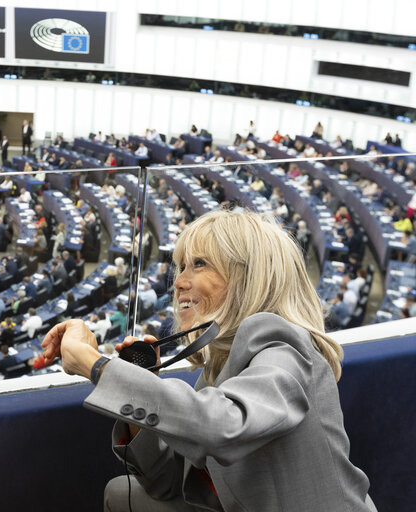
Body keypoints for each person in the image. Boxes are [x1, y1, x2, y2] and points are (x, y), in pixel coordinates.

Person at [40, 210, 375, 511]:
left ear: (248, 277)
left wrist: (95, 365)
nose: (180, 282)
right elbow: (165, 483)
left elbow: (226, 426)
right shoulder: (219, 366)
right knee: (122, 492)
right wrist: (138, 382)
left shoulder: (280, 340)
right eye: (181, 267)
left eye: (199, 264)